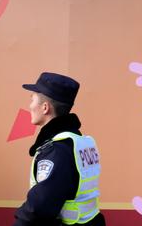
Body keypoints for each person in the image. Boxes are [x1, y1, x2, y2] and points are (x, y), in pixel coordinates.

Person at [14, 72, 105, 226]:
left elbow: (39, 208)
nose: (30, 106)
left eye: (32, 100)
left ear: (44, 107)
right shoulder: (79, 141)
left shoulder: (57, 150)